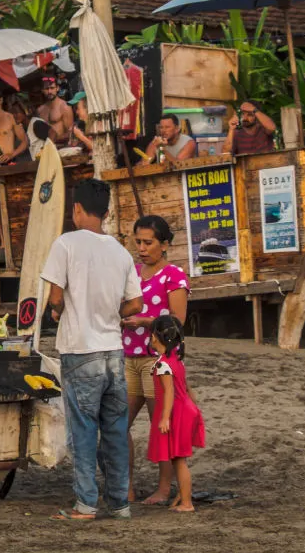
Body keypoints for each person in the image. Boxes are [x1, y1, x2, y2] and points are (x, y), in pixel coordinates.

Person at [42, 179, 144, 521]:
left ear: (76, 210)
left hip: (80, 350)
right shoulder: (120, 250)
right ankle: (120, 503)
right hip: (114, 352)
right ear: (107, 212)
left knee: (83, 431)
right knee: (115, 431)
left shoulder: (65, 244)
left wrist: (56, 311)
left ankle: (85, 504)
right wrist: (113, 314)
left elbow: (55, 297)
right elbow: (136, 302)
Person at [123, 215, 189, 505]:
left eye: (148, 242)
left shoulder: (174, 276)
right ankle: (125, 486)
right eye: (138, 241)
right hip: (128, 357)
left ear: (164, 244)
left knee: (160, 427)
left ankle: (164, 489)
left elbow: (177, 322)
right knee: (116, 424)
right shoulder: (133, 273)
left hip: (158, 362)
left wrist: (146, 321)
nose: (142, 247)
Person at [147, 315, 205, 512]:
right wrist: (194, 409)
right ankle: (183, 495)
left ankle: (187, 503)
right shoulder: (176, 359)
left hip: (177, 412)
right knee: (181, 458)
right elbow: (187, 388)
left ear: (155, 337)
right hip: (186, 409)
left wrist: (164, 418)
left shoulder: (163, 364)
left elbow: (169, 391)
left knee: (178, 460)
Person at [35, 75, 74, 143]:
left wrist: (54, 139)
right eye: (46, 89)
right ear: (42, 90)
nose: (49, 91)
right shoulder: (40, 110)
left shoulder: (64, 107)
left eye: (52, 88)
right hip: (45, 149)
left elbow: (71, 132)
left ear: (57, 88)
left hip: (61, 147)